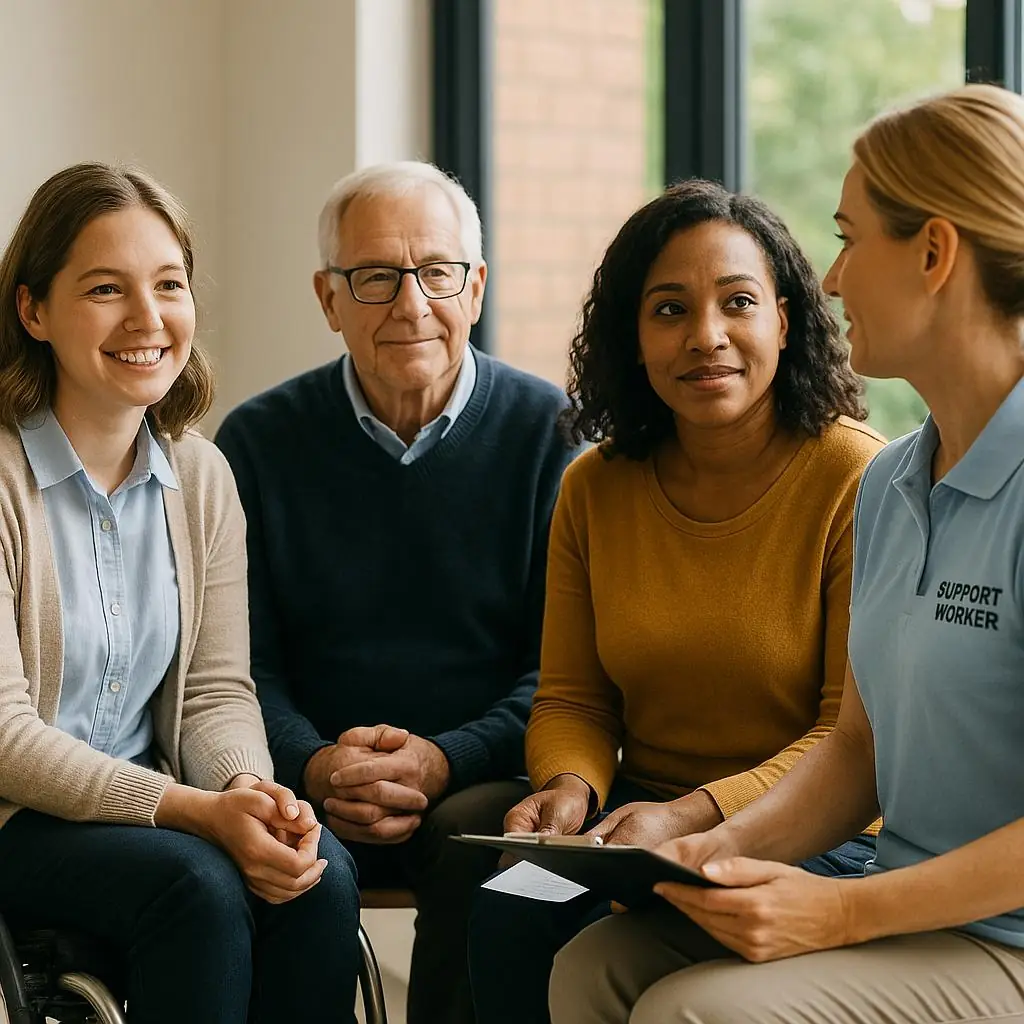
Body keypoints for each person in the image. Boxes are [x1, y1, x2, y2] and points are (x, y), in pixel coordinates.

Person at [547, 82, 1024, 1024]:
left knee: (696, 1013)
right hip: (904, 907)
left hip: (1005, 938)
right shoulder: (893, 484)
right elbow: (858, 750)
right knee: (591, 968)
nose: (834, 279)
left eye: (850, 239)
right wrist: (710, 852)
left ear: (933, 252)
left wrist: (843, 908)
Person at [469, 178, 885, 1024]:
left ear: (786, 318)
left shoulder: (860, 479)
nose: (706, 338)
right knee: (510, 908)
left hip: (814, 838)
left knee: (640, 969)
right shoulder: (594, 487)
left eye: (738, 303)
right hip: (630, 832)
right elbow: (575, 697)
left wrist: (694, 817)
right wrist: (571, 790)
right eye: (668, 310)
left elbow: (847, 739)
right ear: (633, 334)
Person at [214, 160, 577, 1024]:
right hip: (306, 775)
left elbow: (566, 671)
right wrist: (315, 763)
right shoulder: (257, 444)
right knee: (287, 855)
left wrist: (445, 757)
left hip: (485, 778)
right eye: (374, 277)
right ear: (328, 297)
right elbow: (234, 666)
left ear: (476, 285)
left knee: (495, 853)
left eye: (437, 272)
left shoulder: (553, 436)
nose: (410, 305)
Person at [0, 163, 360, 1024]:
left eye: (169, 284)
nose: (147, 318)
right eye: (104, 289)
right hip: (16, 817)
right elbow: (5, 735)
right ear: (33, 310)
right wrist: (197, 813)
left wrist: (248, 793)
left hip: (153, 806)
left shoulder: (199, 474)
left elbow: (213, 691)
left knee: (317, 876)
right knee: (195, 886)